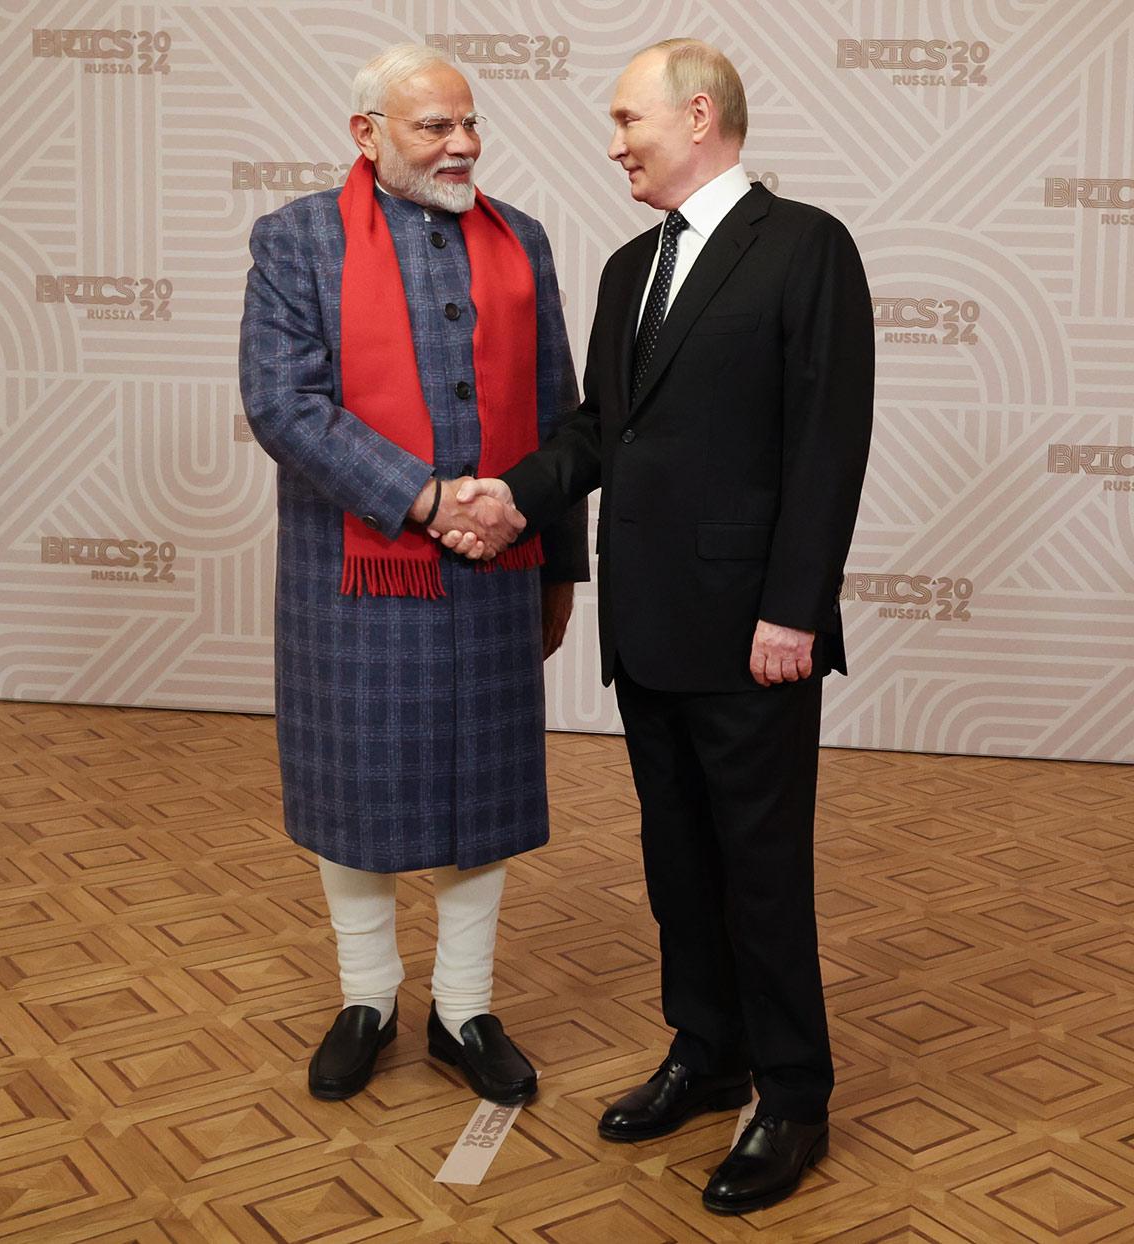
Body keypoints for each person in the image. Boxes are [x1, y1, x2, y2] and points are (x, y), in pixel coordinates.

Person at [441, 39, 873, 1213]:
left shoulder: (807, 248)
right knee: (678, 863)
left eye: (630, 118)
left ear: (698, 114)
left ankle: (792, 1094)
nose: (616, 140)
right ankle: (707, 1049)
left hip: (752, 632)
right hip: (649, 629)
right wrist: (511, 493)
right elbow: (597, 431)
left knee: (763, 872)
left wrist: (794, 607)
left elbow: (828, 444)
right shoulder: (632, 268)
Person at [238, 43, 587, 1107]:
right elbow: (283, 405)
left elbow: (561, 412)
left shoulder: (520, 240)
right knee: (358, 788)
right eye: (434, 125)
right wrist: (429, 497)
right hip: (355, 573)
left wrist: (558, 562)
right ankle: (368, 996)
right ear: (368, 134)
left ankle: (465, 1008)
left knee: (481, 791)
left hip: (498, 569)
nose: (463, 142)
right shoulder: (295, 238)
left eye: (469, 122)